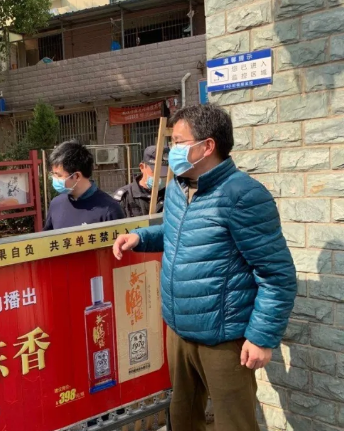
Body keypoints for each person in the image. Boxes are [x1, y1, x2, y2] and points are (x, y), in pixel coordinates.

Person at [113, 104, 296, 431]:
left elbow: (276, 274)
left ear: (207, 146)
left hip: (223, 339)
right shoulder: (178, 188)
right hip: (179, 330)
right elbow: (177, 233)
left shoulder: (243, 195)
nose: (171, 152)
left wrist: (261, 338)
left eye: (178, 142)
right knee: (182, 419)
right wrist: (140, 238)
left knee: (233, 424)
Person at [44, 140, 125, 230]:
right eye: (53, 174)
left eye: (58, 175)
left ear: (77, 176)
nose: (54, 178)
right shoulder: (56, 204)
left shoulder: (109, 209)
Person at [113, 145, 168, 218]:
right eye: (156, 171)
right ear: (142, 167)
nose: (160, 176)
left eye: (164, 172)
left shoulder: (171, 195)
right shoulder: (126, 197)